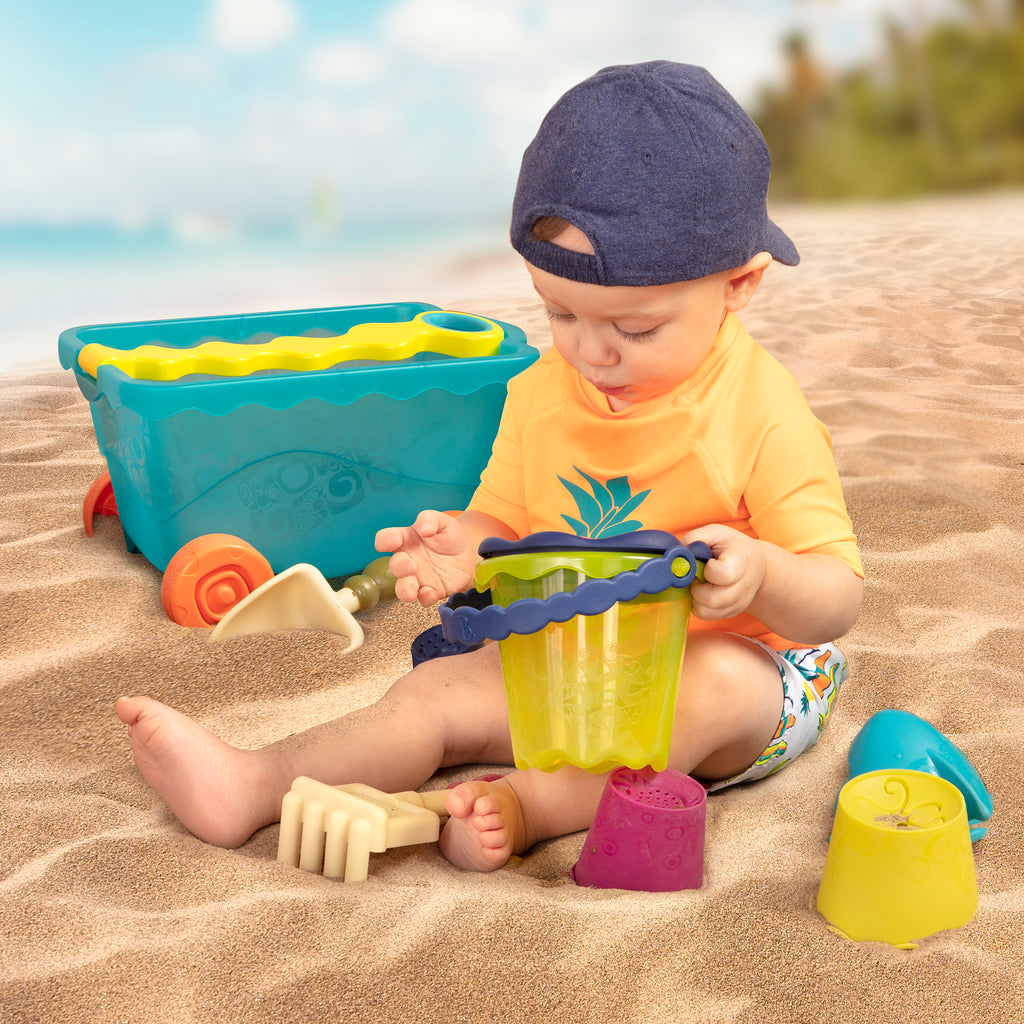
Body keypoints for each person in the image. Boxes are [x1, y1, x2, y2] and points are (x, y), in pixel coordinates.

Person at [115, 62, 863, 873]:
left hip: (737, 674)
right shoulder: (545, 390)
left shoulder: (763, 412)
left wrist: (764, 576)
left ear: (740, 284)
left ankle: (530, 804)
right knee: (431, 696)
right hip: (564, 659)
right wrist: (463, 544)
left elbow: (837, 596)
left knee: (717, 682)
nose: (592, 350)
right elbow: (504, 528)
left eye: (637, 328)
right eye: (561, 313)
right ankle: (254, 784)